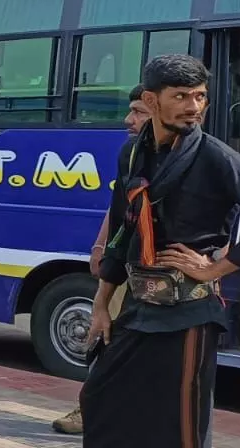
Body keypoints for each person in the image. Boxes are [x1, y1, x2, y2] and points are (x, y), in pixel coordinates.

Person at [80, 55, 240, 446]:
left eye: (200, 96)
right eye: (181, 96)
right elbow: (121, 232)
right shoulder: (131, 155)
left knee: (180, 423)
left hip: (189, 312)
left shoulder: (216, 158)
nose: (194, 107)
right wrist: (101, 303)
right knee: (101, 399)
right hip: (137, 307)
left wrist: (216, 269)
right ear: (151, 100)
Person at [50, 84, 150, 434]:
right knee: (106, 336)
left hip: (168, 279)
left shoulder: (198, 157)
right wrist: (100, 247)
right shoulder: (131, 154)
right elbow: (120, 208)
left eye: (139, 112)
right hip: (129, 267)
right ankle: (88, 409)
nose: (129, 119)